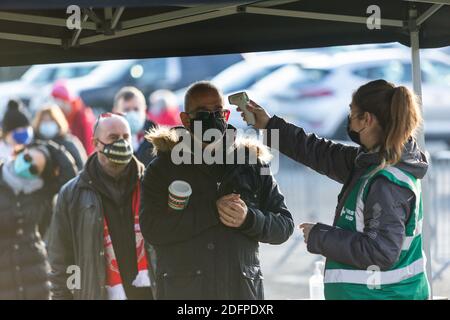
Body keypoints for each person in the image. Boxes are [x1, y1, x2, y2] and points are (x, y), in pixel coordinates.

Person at [238, 79, 430, 300]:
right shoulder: (372, 160)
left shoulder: (386, 181)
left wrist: (320, 237)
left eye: (352, 113)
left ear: (366, 120)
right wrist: (270, 125)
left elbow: (381, 251)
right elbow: (319, 152)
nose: (349, 121)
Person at [140, 81, 294, 300]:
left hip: (241, 294)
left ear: (226, 116)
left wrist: (249, 219)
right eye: (203, 112)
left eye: (217, 112)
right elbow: (152, 229)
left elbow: (284, 225)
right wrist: (211, 212)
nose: (212, 118)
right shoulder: (162, 168)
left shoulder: (251, 162)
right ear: (186, 120)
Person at [48, 113, 155, 300]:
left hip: (150, 292)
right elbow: (62, 260)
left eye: (125, 137)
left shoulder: (150, 184)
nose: (121, 143)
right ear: (96, 143)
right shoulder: (73, 194)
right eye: (113, 138)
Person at [0, 141, 77, 299]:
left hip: (35, 274)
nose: (27, 166)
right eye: (28, 158)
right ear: (22, 151)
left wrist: (51, 148)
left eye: (34, 168)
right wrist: (39, 145)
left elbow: (70, 178)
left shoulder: (42, 191)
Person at [33, 104, 87, 171]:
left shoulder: (69, 143)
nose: (47, 124)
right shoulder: (33, 144)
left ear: (58, 122)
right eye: (44, 121)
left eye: (51, 120)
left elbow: (82, 168)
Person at [112, 86, 156, 167]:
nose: (132, 114)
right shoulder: (107, 142)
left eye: (136, 109)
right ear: (115, 112)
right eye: (126, 110)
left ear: (144, 110)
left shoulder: (159, 141)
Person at [51, 79, 96, 156]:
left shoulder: (83, 117)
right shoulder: (58, 116)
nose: (58, 105)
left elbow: (89, 145)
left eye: (60, 101)